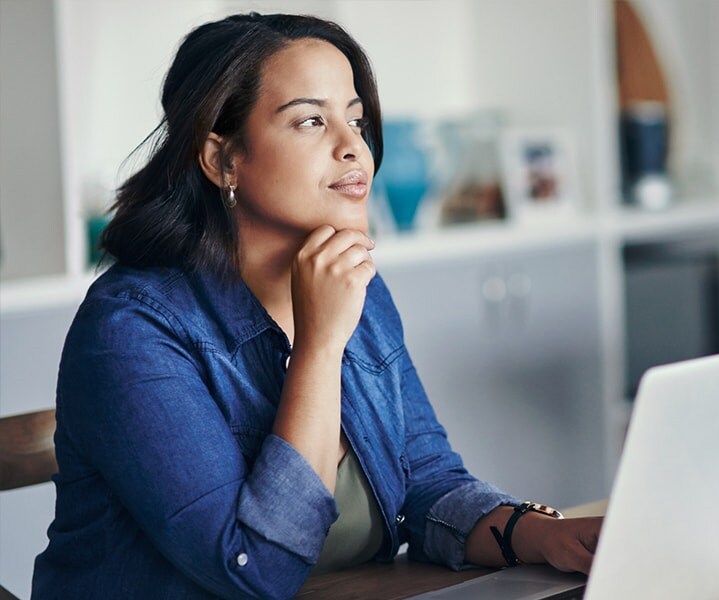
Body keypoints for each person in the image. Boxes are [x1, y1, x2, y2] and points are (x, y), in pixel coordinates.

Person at [32, 13, 601, 599]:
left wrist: (538, 534)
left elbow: (427, 485)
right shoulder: (131, 329)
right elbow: (252, 569)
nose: (352, 146)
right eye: (310, 120)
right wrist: (320, 347)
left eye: (355, 119)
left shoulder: (353, 283)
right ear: (222, 159)